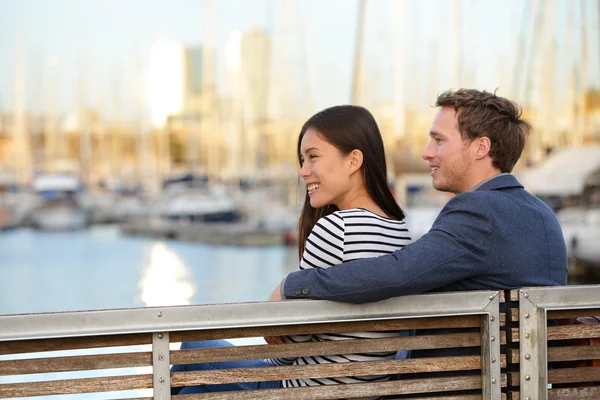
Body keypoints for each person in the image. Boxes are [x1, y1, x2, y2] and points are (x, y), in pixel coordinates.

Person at [171, 105, 412, 395]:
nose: (303, 171)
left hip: (304, 389)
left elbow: (287, 347)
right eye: (302, 160)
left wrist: (281, 302)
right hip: (360, 388)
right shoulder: (398, 229)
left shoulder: (336, 229)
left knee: (191, 352)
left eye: (313, 157)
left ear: (353, 161)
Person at [270, 88, 568, 305]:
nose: (426, 153)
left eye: (439, 140)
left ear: (481, 147)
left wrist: (293, 285)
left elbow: (398, 273)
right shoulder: (542, 214)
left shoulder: (478, 211)